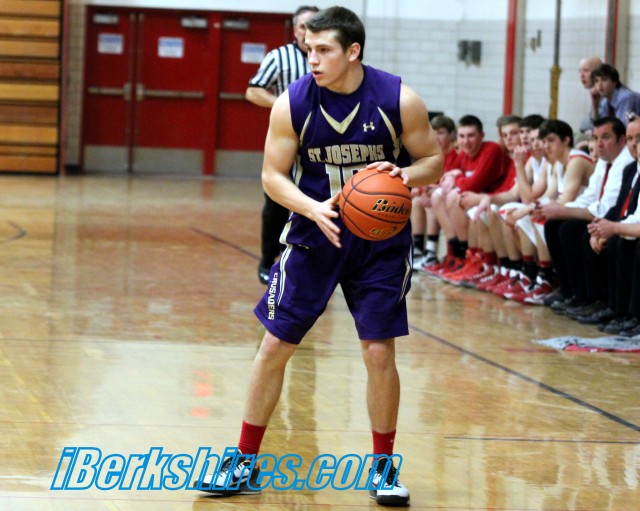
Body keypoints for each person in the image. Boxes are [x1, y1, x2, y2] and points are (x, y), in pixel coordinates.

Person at [194, 6, 444, 506]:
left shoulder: (399, 99)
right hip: (314, 235)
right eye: (309, 49)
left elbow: (433, 161)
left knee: (379, 351)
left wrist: (403, 175)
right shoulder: (292, 102)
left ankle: (383, 468)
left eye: (323, 50)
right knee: (274, 346)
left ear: (353, 52)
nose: (312, 58)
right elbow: (271, 176)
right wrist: (311, 207)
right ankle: (242, 460)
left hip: (380, 243)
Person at [247, 6, 320, 285]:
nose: (307, 32)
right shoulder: (279, 57)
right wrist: (283, 104)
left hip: (321, 142)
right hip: (287, 140)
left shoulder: (332, 58)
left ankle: (314, 263)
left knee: (317, 200)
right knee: (277, 202)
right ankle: (268, 259)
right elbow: (253, 90)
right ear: (295, 29)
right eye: (303, 26)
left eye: (314, 25)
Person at [541, 116, 633, 313]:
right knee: (554, 224)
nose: (599, 144)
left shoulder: (625, 163)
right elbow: (589, 197)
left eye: (605, 137)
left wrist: (565, 210)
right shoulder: (604, 161)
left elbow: (608, 208)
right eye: (596, 138)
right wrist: (563, 210)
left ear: (621, 140)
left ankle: (592, 298)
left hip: (615, 217)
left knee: (574, 231)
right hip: (603, 215)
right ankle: (569, 291)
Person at [578, 56, 602, 133]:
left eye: (586, 70)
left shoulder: (605, 95)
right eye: (580, 71)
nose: (581, 75)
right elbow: (585, 125)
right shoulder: (593, 92)